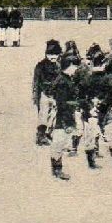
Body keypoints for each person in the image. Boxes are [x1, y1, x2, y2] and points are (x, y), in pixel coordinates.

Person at [48, 50, 83, 181]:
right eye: (75, 67)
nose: (76, 69)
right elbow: (63, 104)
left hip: (64, 115)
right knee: (58, 142)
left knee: (60, 142)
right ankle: (57, 170)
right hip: (63, 117)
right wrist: (76, 103)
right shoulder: (63, 82)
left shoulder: (64, 78)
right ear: (69, 66)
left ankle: (57, 169)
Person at [32, 40, 61, 146]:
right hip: (44, 94)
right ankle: (40, 136)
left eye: (55, 55)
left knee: (54, 115)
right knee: (43, 115)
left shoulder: (60, 65)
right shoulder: (41, 65)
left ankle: (49, 133)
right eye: (50, 55)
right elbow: (36, 82)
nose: (53, 57)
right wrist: (35, 95)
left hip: (57, 95)